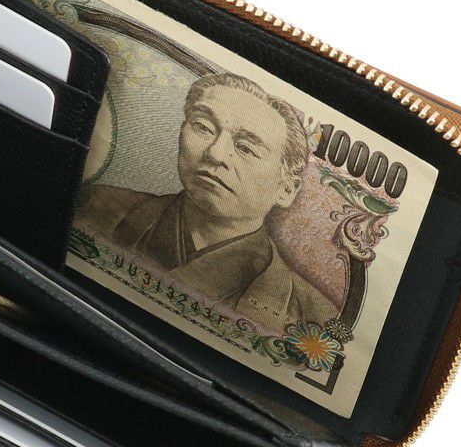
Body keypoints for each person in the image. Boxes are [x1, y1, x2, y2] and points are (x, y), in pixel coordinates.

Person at [78, 71, 336, 330]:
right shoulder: (94, 206)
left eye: (246, 148)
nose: (215, 153)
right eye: (204, 127)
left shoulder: (316, 319)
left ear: (287, 189)